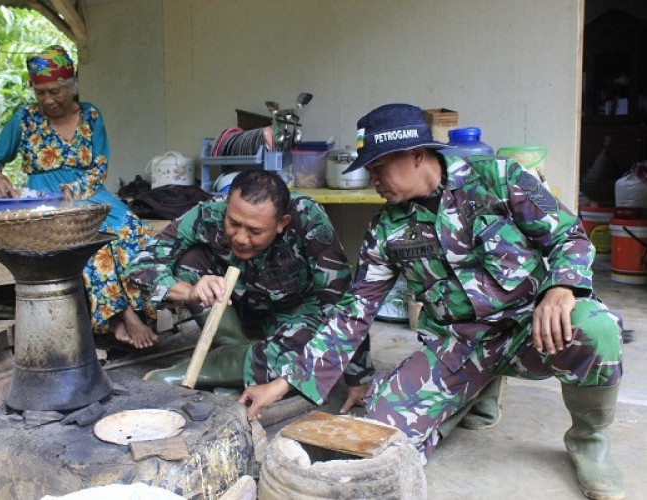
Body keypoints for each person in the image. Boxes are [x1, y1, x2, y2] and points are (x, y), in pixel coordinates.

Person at [239, 104, 625, 500]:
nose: (372, 180)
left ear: (416, 155)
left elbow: (569, 235)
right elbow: (351, 315)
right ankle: (476, 387)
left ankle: (588, 441)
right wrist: (282, 383)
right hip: (460, 344)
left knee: (595, 327)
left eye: (378, 168)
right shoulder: (385, 230)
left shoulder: (498, 178)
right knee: (380, 428)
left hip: (529, 329)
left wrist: (562, 286)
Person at [126, 169, 373, 394]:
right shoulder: (209, 213)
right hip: (237, 309)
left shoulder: (307, 218)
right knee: (190, 259)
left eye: (255, 231)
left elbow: (341, 300)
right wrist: (189, 291)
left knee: (311, 351)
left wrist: (357, 377)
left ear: (281, 224)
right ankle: (236, 359)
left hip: (294, 313)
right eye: (233, 224)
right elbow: (140, 266)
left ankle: (202, 371)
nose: (241, 238)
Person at [0, 45, 157, 349]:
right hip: (45, 199)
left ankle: (142, 311)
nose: (48, 100)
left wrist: (74, 191)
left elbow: (99, 165)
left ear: (72, 84)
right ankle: (121, 319)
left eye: (55, 91)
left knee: (133, 229)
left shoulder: (91, 115)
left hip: (90, 193)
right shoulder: (24, 119)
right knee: (91, 243)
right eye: (40, 92)